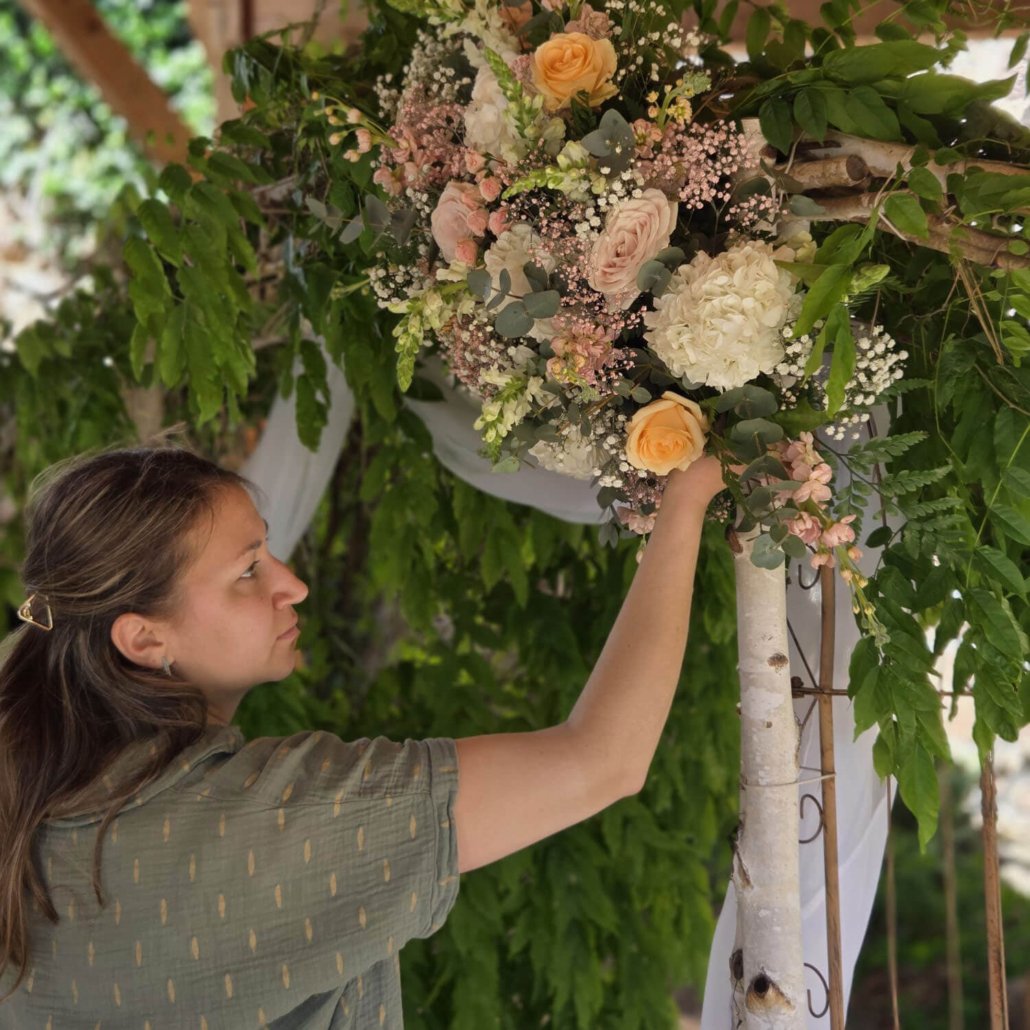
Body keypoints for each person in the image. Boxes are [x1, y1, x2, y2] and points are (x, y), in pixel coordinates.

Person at [0, 443, 726, 1027]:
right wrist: (686, 501)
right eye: (248, 573)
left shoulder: (34, 695)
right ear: (142, 638)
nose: (293, 585)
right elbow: (601, 761)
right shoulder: (264, 825)